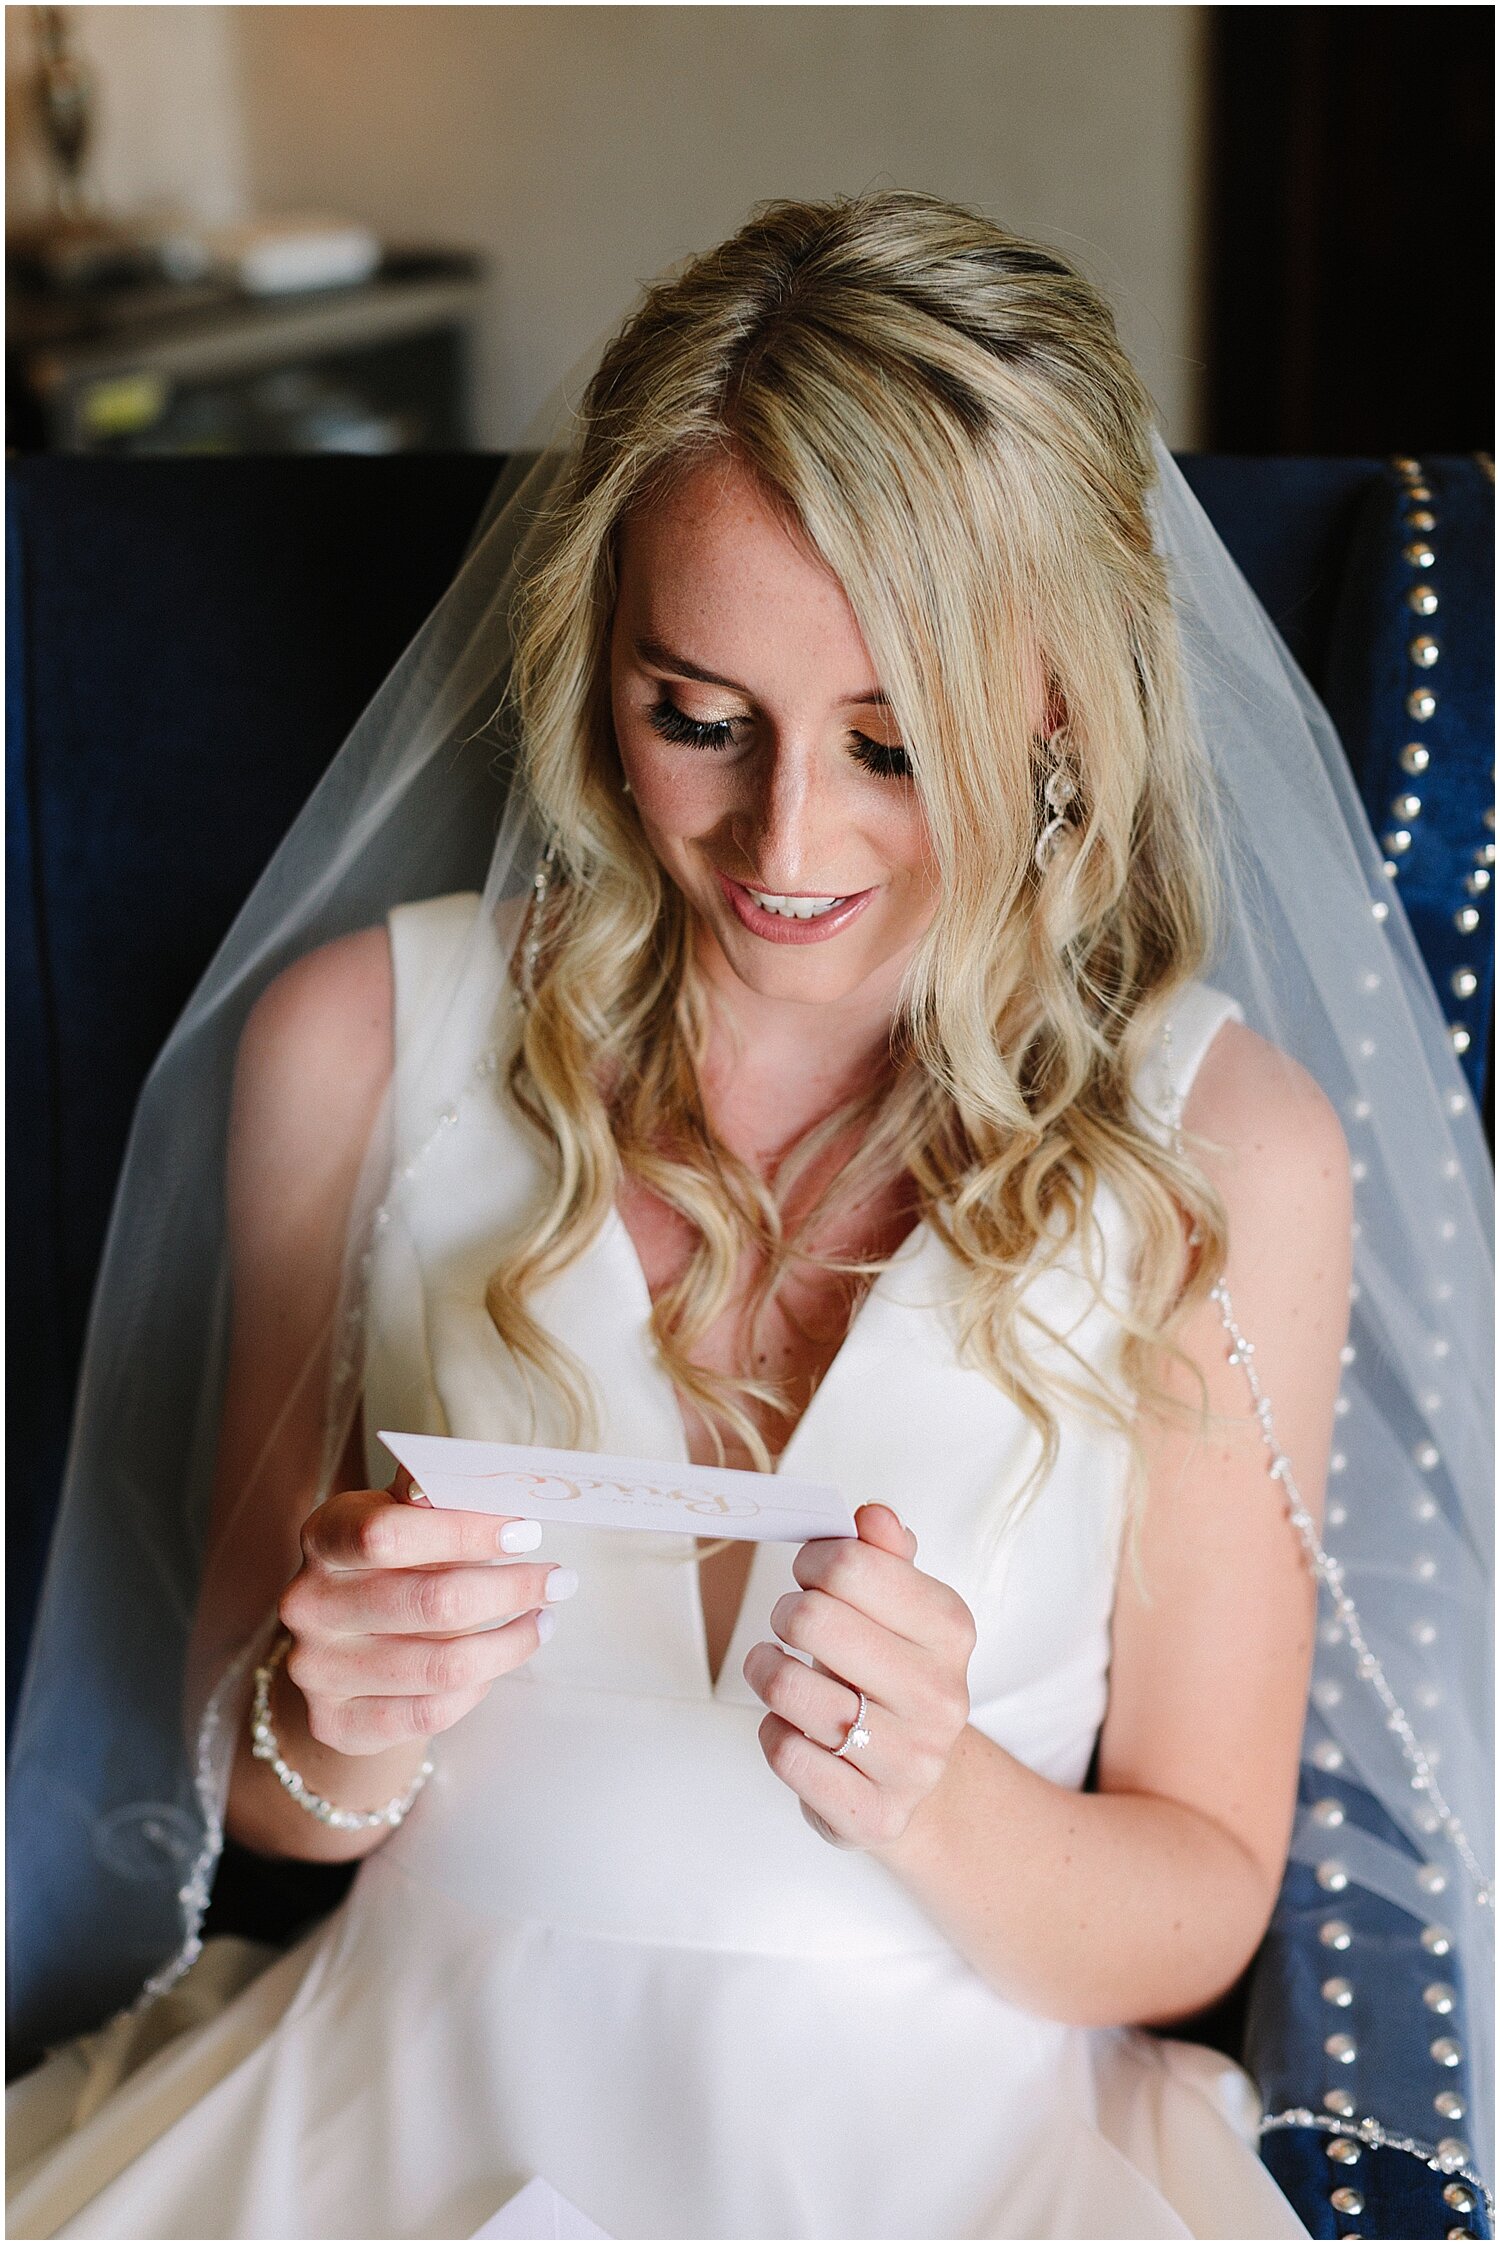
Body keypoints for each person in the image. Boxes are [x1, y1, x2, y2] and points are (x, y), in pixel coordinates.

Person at [7, 192, 1491, 2241]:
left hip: (954, 2160)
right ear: (593, 655)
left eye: (898, 745)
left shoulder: (1224, 1151)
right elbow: (262, 1796)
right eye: (695, 715)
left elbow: (1200, 1896)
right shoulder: (357, 1042)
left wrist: (943, 1795)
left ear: (1062, 714)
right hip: (392, 2108)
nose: (784, 842)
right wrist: (328, 1713)